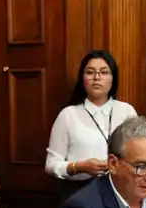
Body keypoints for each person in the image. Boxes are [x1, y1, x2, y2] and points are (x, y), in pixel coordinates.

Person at [45, 50, 138, 200]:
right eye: (90, 72)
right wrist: (80, 166)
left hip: (121, 192)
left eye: (104, 72)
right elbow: (51, 164)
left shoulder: (126, 111)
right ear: (82, 79)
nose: (97, 77)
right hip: (80, 192)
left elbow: (138, 153)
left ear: (113, 78)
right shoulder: (68, 115)